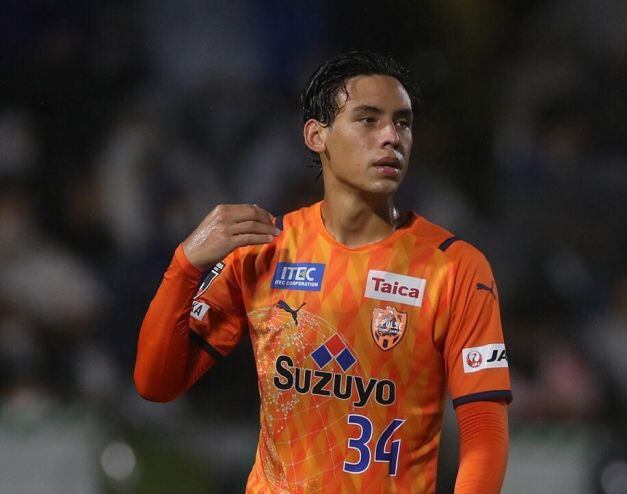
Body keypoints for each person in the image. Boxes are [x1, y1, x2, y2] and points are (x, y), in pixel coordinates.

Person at [134, 51, 511, 493]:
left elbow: (484, 427)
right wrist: (184, 266)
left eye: (403, 123)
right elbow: (155, 383)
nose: (391, 137)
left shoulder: (455, 267)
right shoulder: (263, 251)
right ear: (317, 135)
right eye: (368, 120)